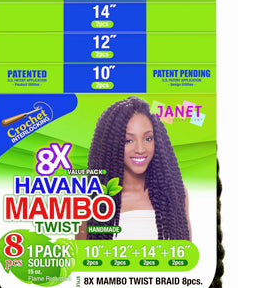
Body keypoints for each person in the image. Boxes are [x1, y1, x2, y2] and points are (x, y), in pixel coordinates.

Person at [77, 96, 192, 241]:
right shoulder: (92, 200)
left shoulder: (174, 192)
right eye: (129, 140)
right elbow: (81, 254)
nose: (140, 149)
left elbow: (185, 252)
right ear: (112, 145)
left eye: (148, 138)